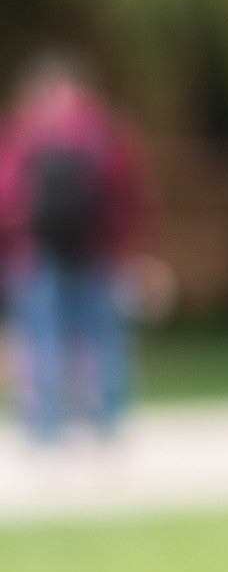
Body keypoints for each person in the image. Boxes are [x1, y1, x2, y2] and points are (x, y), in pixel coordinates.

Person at [0, 54, 151, 443]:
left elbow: (6, 194)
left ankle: (46, 426)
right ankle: (106, 422)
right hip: (98, 249)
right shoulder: (104, 131)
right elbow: (129, 193)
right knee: (103, 338)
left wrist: (14, 238)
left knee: (41, 338)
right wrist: (126, 241)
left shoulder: (25, 132)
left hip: (34, 252)